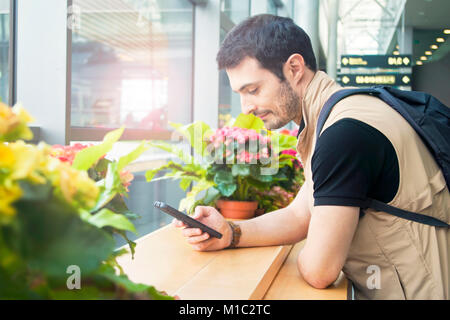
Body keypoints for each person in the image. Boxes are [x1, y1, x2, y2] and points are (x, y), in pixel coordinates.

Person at [172, 14, 450, 300]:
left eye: (253, 90)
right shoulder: (338, 114)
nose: (246, 108)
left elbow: (320, 270)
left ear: (294, 68)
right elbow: (301, 213)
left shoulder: (344, 133)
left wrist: (316, 247)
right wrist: (229, 232)